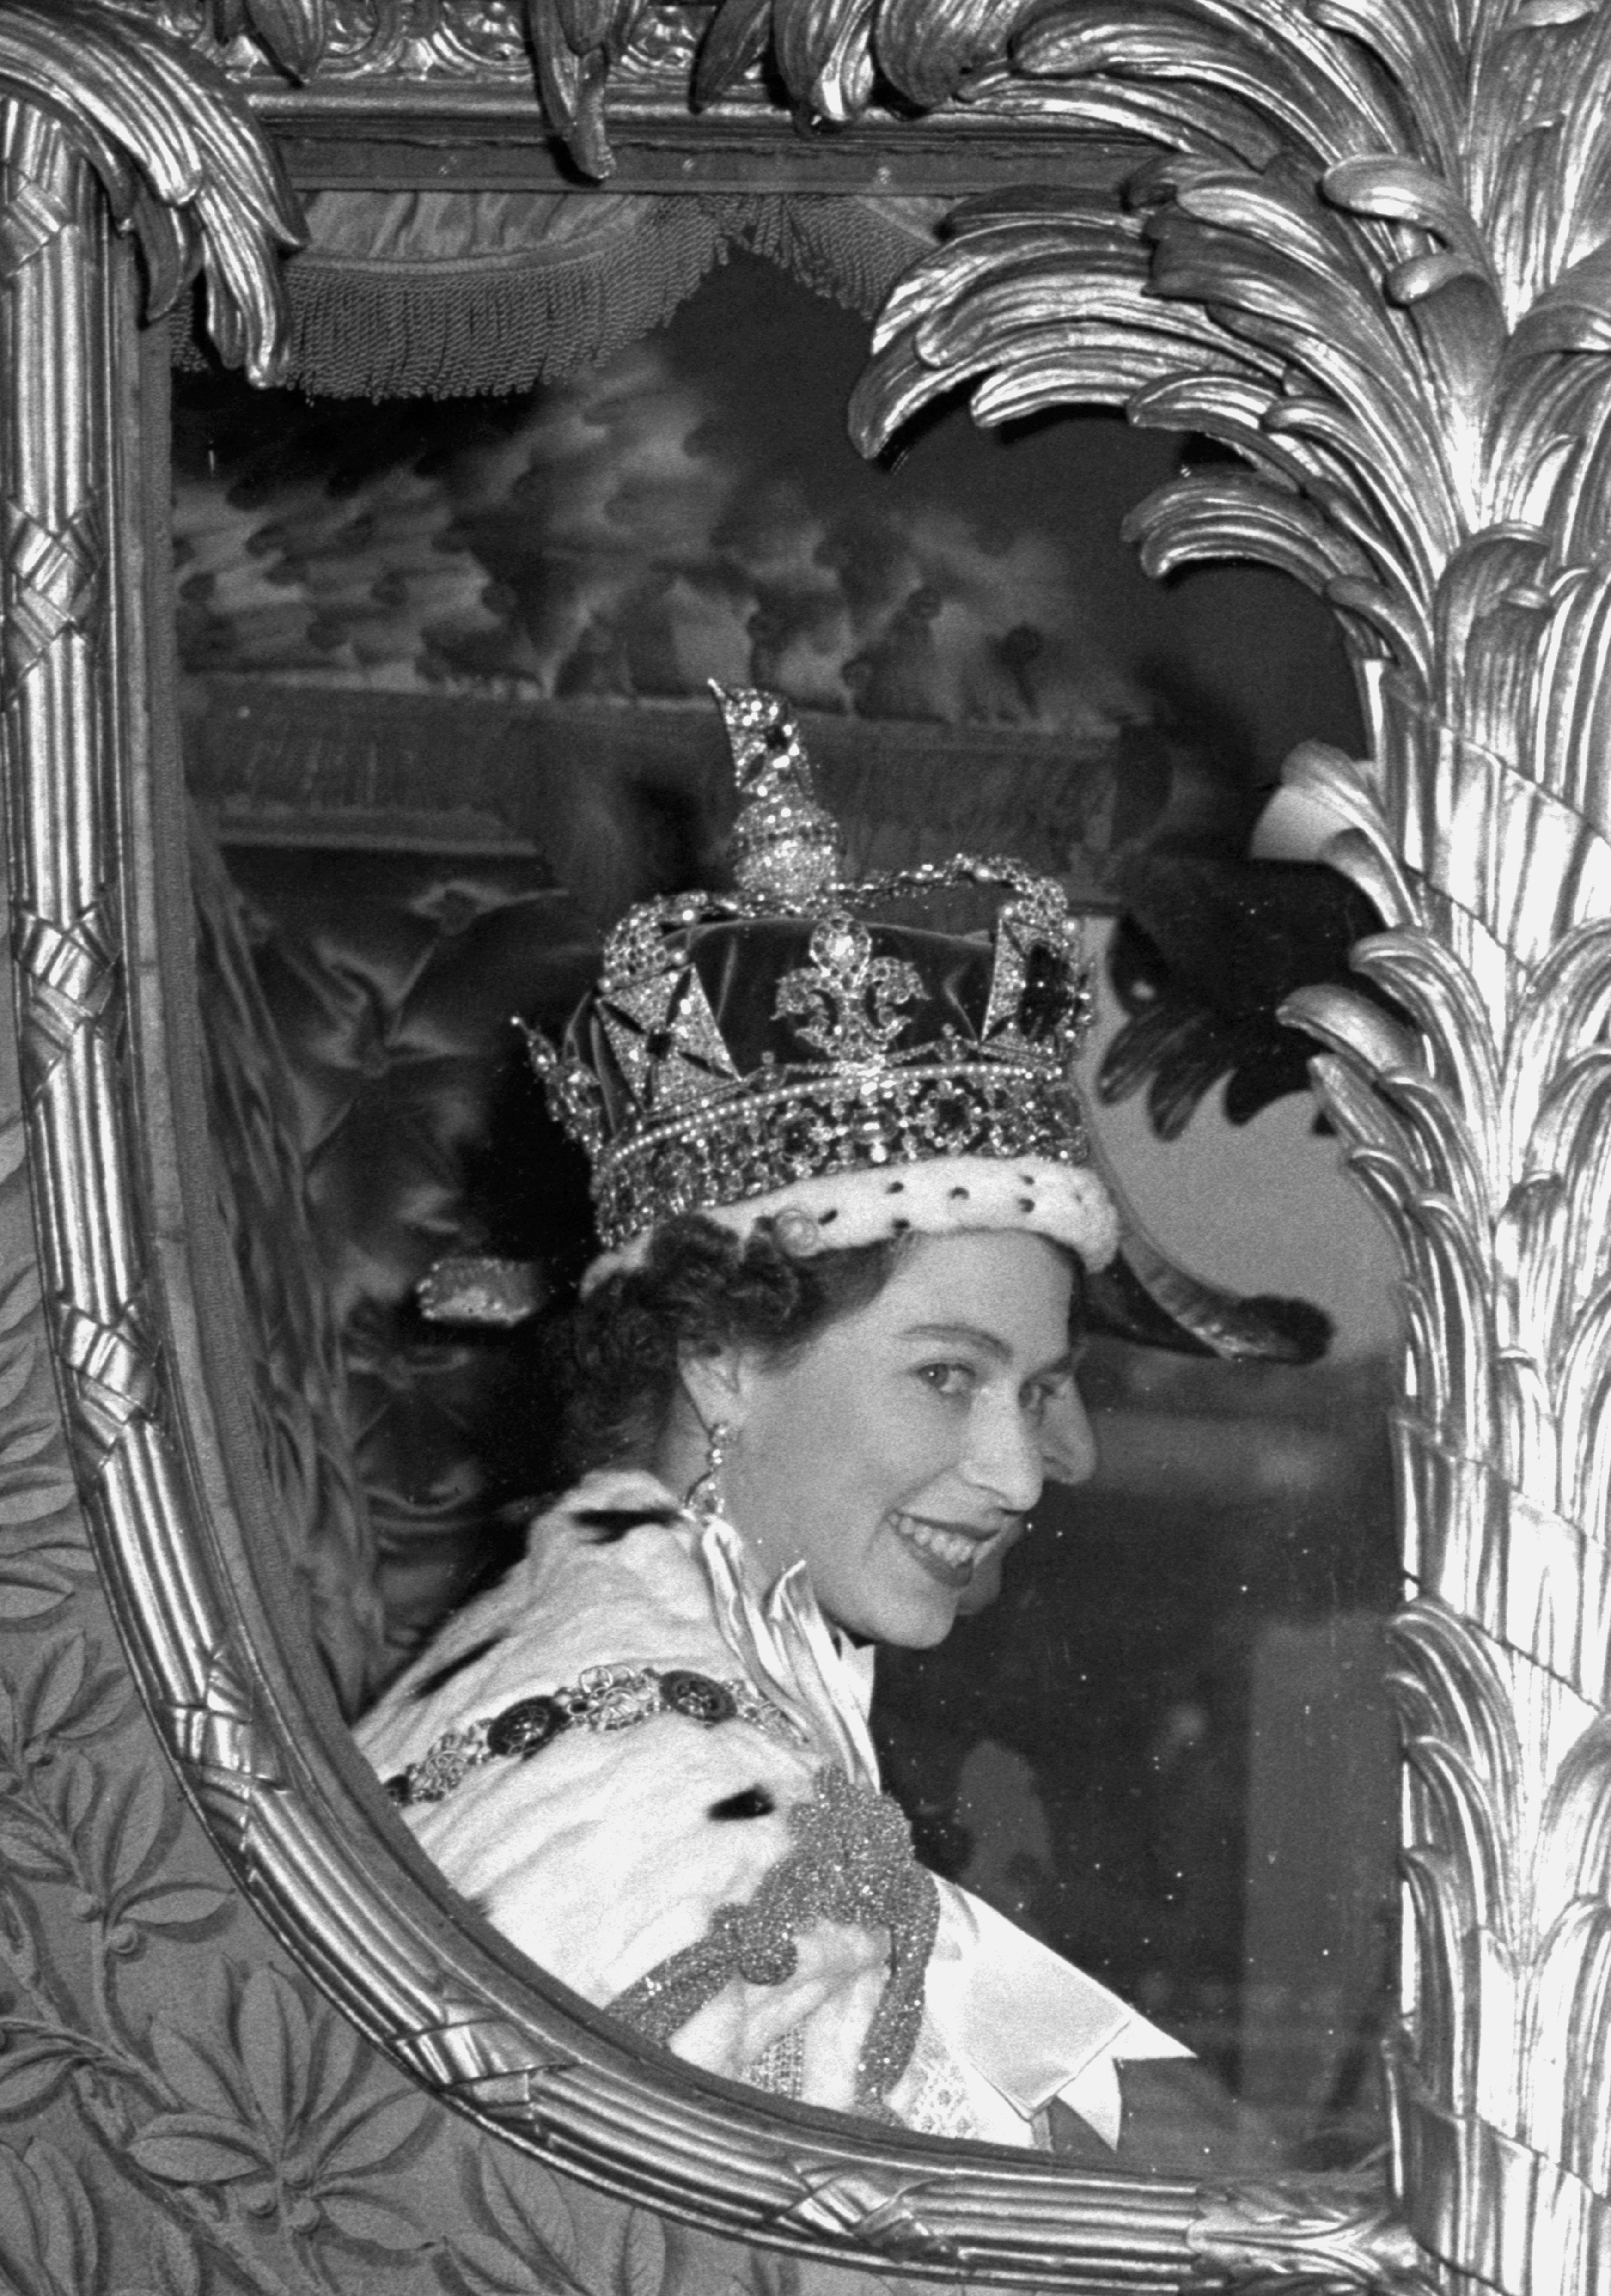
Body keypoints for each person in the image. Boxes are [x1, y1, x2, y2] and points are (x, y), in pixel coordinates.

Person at [358, 684, 1236, 2161]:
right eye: (944, 1377)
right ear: (720, 1359)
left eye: (1033, 1391)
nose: (1017, 1473)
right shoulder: (683, 1804)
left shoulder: (635, 1678)